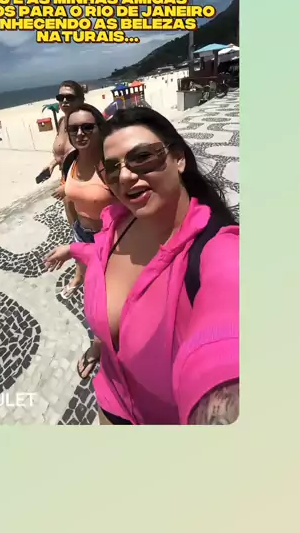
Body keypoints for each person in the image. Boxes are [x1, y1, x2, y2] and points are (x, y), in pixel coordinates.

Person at [45, 106, 239, 425]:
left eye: (142, 157)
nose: (124, 176)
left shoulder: (217, 251)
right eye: (112, 168)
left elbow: (226, 333)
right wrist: (74, 249)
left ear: (178, 158)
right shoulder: (120, 221)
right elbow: (103, 257)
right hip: (111, 400)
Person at [59, 103, 113, 379]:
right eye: (73, 129)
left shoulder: (111, 164)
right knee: (93, 297)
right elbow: (70, 197)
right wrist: (74, 229)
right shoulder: (71, 161)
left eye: (87, 127)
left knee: (102, 300)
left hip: (110, 241)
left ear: (99, 128)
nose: (80, 133)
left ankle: (99, 345)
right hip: (81, 233)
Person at [36, 81, 85, 197]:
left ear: (80, 100)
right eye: (60, 97)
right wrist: (51, 165)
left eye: (69, 97)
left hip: (82, 185)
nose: (64, 101)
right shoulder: (62, 122)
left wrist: (70, 186)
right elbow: (65, 154)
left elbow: (93, 161)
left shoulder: (85, 124)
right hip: (65, 181)